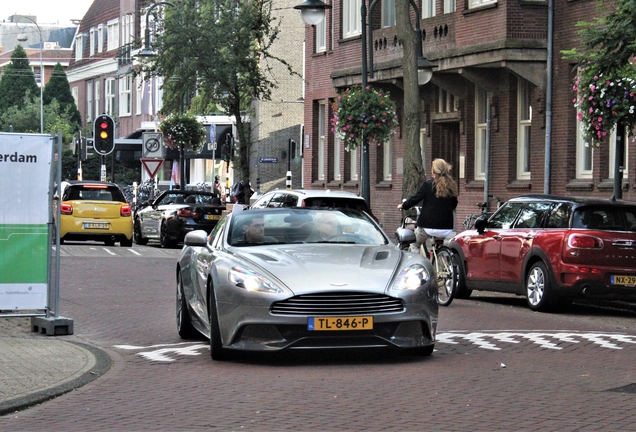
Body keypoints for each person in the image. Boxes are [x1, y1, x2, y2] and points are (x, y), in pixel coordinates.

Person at [397, 158, 458, 254]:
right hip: (447, 228)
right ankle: (439, 259)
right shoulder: (451, 186)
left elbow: (415, 199)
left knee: (414, 244)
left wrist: (403, 205)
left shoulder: (428, 185)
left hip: (428, 227)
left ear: (433, 171)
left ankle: (417, 265)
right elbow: (454, 204)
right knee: (438, 245)